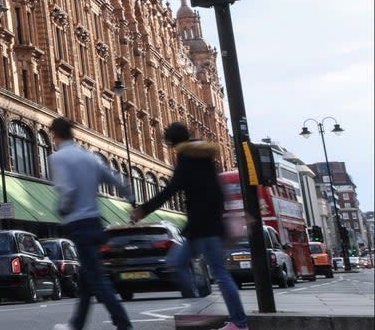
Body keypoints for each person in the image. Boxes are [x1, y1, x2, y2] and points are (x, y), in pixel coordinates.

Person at [131, 122, 248, 330]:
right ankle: (202, 308)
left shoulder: (187, 158)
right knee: (176, 262)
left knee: (219, 273)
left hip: (204, 227)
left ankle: (239, 322)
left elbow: (171, 189)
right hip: (202, 226)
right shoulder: (204, 156)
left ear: (173, 143)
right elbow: (218, 190)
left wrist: (143, 210)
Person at [48, 117, 134, 330]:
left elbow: (67, 190)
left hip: (79, 224)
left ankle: (124, 324)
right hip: (95, 223)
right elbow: (114, 179)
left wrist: (62, 208)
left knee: (97, 280)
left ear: (56, 135)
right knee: (87, 279)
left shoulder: (58, 158)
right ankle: (76, 324)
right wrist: (131, 198)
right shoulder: (88, 156)